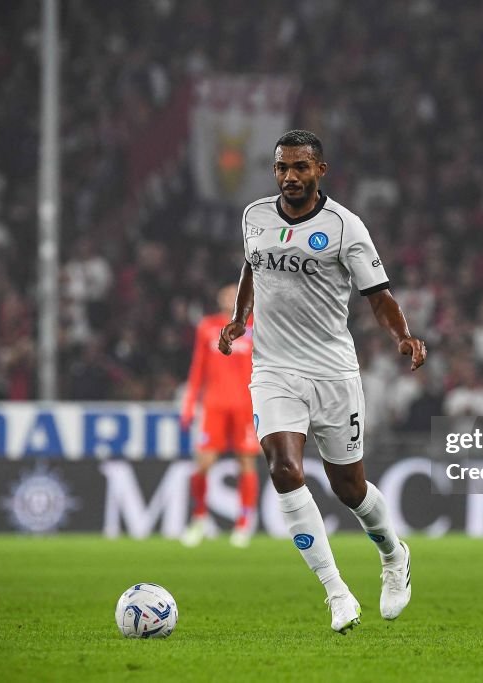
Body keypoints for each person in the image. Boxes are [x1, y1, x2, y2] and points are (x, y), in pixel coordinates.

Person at [219, 130, 427, 633]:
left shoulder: (344, 227)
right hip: (272, 369)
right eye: (282, 168)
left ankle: (394, 555)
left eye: (300, 168)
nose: (290, 177)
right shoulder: (254, 216)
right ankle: (337, 593)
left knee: (349, 488)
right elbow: (253, 268)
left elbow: (378, 294)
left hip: (332, 371)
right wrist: (240, 319)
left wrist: (403, 335)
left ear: (320, 171)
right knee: (285, 468)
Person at [180, 284, 261, 548]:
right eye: (226, 294)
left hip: (246, 406)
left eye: (235, 294)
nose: (230, 298)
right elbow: (197, 367)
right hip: (214, 405)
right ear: (219, 298)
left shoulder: (256, 326)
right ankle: (200, 517)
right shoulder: (208, 326)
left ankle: (244, 522)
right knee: (202, 464)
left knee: (246, 464)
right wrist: (190, 404)